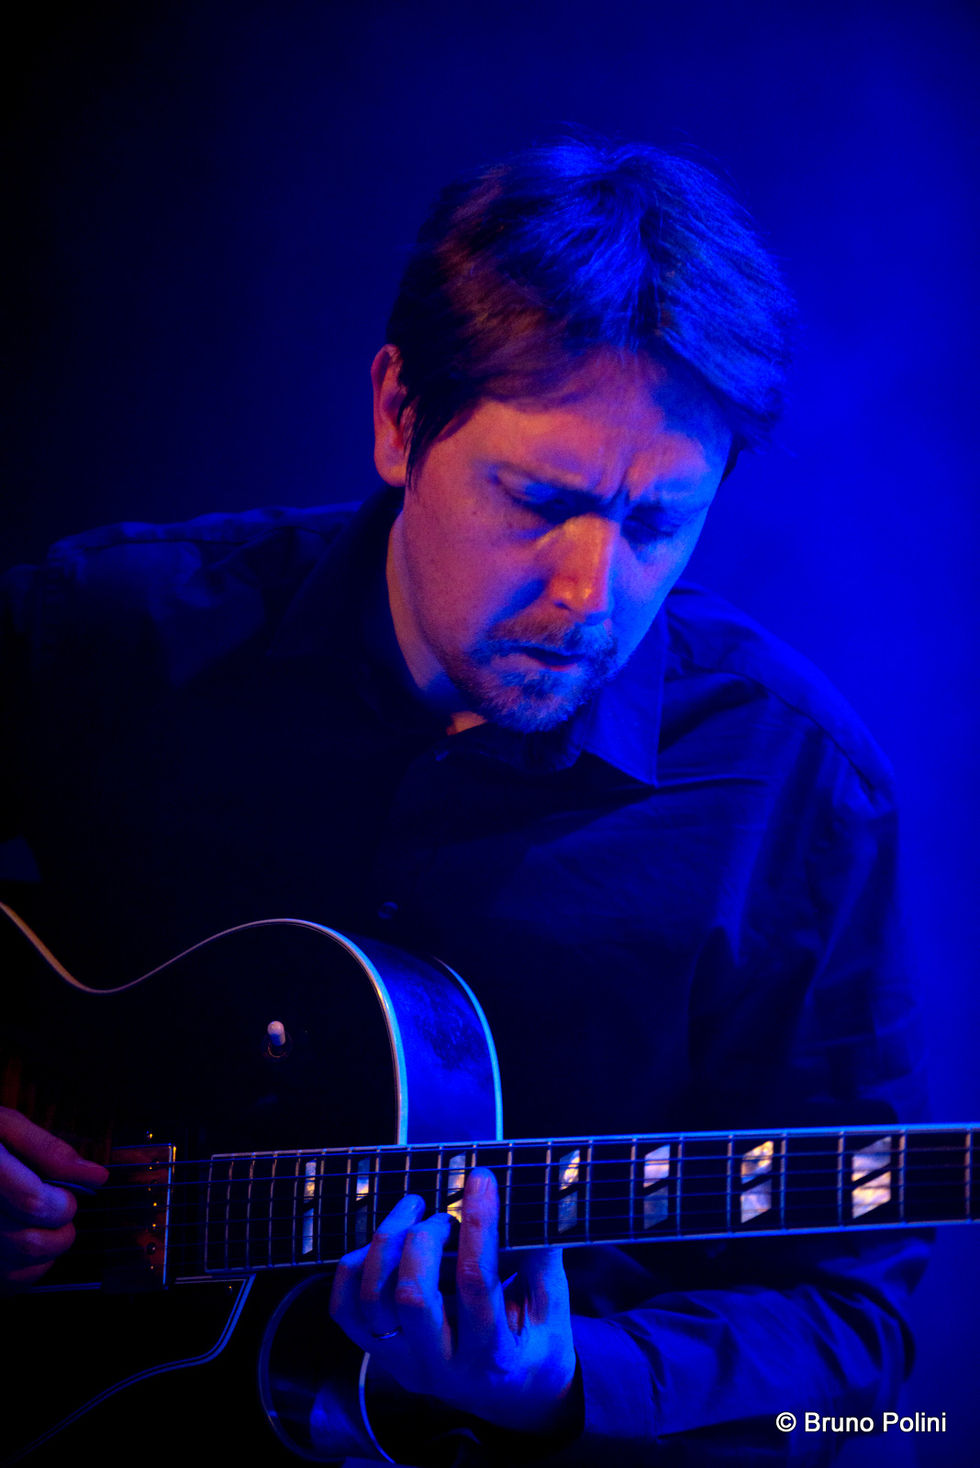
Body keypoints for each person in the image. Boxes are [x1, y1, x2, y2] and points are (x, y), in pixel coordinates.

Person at [0, 138, 927, 1465]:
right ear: (399, 418)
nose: (590, 596)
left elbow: (858, 1333)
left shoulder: (795, 790)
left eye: (656, 524)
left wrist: (566, 1385)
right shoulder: (117, 635)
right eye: (539, 500)